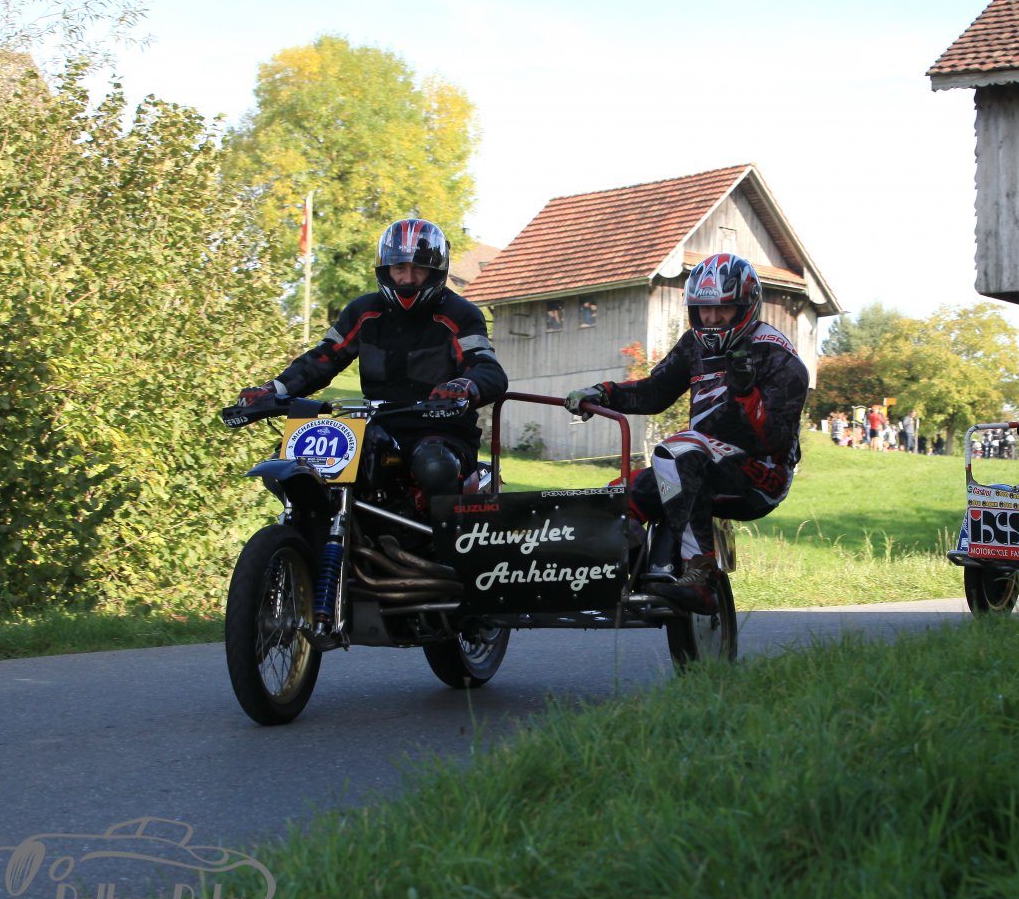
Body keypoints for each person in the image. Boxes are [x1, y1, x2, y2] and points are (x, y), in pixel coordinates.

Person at [563, 253, 809, 614]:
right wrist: (604, 393)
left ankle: (701, 578)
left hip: (761, 475)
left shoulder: (779, 358)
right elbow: (654, 392)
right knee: (616, 496)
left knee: (679, 449)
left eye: (723, 309)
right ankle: (626, 573)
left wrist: (747, 394)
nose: (711, 319)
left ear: (747, 307)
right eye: (703, 309)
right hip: (696, 463)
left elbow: (777, 440)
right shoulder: (692, 345)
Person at [236, 217, 507, 503]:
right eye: (399, 267)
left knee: (434, 465)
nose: (407, 278)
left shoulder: (459, 315)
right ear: (385, 268)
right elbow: (322, 359)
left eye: (418, 268)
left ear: (436, 270)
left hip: (441, 429)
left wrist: (464, 386)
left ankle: (439, 530)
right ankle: (308, 526)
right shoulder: (363, 311)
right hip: (375, 427)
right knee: (285, 465)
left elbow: (487, 369)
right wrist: (272, 390)